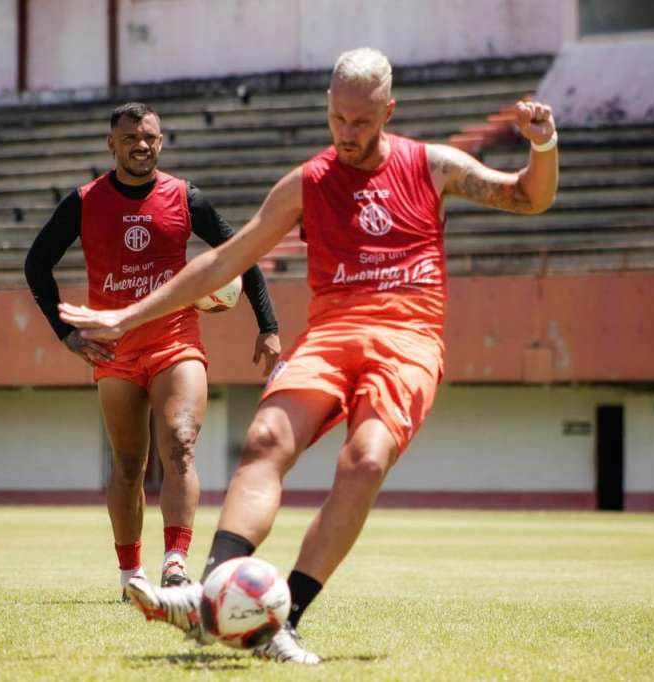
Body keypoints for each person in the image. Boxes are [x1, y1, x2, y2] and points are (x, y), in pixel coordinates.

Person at [59, 48, 558, 664]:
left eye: (363, 123)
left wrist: (543, 148)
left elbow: (527, 198)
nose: (348, 135)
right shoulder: (307, 182)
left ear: (388, 112)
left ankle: (284, 619)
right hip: (330, 335)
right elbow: (223, 260)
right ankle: (212, 593)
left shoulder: (432, 166)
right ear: (328, 108)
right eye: (339, 120)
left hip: (408, 341)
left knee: (364, 460)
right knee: (266, 438)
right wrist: (126, 317)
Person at [25, 102, 281, 597]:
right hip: (113, 351)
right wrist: (67, 335)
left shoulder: (186, 197)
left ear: (160, 142)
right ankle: (129, 574)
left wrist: (267, 325)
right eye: (131, 139)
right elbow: (37, 264)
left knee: (180, 443)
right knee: (127, 464)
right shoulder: (83, 202)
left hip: (175, 341)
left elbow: (242, 254)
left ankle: (176, 564)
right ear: (112, 144)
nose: (142, 146)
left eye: (151, 138)